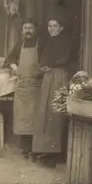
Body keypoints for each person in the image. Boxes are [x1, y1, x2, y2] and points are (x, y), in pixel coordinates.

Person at [32, 11, 71, 160]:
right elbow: (43, 59)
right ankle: (46, 148)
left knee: (55, 111)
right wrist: (43, 66)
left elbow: (65, 59)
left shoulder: (64, 41)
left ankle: (55, 151)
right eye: (50, 26)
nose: (52, 28)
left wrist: (50, 65)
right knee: (46, 111)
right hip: (49, 77)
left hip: (59, 77)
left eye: (55, 26)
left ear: (61, 28)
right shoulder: (49, 41)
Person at [5, 19, 43, 158]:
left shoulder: (40, 45)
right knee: (22, 118)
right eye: (25, 28)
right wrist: (17, 69)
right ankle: (24, 148)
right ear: (22, 31)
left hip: (35, 86)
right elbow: (10, 60)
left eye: (31, 28)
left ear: (35, 30)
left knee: (34, 117)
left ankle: (35, 148)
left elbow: (45, 63)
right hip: (21, 87)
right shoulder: (19, 45)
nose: (28, 30)